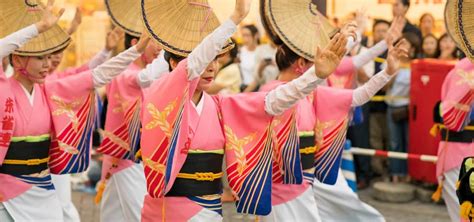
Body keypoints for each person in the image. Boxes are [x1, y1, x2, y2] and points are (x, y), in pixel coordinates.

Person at [138, 0, 358, 220]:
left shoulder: (219, 105)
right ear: (175, 64)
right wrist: (234, 19)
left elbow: (273, 102)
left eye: (216, 60)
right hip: (170, 211)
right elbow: (192, 65)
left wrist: (315, 76)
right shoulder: (161, 94)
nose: (212, 66)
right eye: (207, 59)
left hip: (210, 208)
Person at [0, 0, 151, 221]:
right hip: (7, 191)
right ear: (17, 57)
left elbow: (97, 74)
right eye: (40, 57)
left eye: (49, 57)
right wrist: (38, 28)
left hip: (43, 188)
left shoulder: (50, 88)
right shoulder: (3, 88)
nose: (47, 64)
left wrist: (133, 52)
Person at [259, 1, 407, 221]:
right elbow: (294, 91)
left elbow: (357, 96)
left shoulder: (313, 94)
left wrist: (387, 72)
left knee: (346, 207)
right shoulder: (272, 95)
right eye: (314, 62)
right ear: (301, 64)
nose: (325, 67)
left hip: (308, 180)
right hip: (280, 191)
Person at [96, 1, 166, 221]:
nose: (160, 49)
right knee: (140, 215)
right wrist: (174, 49)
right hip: (127, 158)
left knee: (114, 214)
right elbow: (145, 79)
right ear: (137, 43)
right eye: (157, 42)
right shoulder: (125, 73)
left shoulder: (139, 72)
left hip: (131, 158)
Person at [432, 2, 474, 221]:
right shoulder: (465, 68)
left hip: (462, 154)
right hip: (462, 151)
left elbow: (449, 117)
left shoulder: (463, 68)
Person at [385, 32, 419, 183]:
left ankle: (409, 174)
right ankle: (395, 174)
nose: (404, 48)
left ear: (413, 49)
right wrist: (393, 70)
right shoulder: (390, 62)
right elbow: (384, 88)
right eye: (402, 44)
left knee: (409, 141)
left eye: (407, 45)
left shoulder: (417, 65)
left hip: (410, 109)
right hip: (392, 107)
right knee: (394, 142)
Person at [366, 19, 391, 185]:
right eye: (378, 30)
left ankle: (390, 170)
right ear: (373, 33)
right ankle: (378, 172)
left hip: (390, 107)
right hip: (372, 106)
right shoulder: (368, 54)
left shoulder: (393, 54)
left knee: (390, 141)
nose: (381, 33)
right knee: (374, 139)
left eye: (385, 30)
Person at [239, 24, 260, 90]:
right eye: (243, 35)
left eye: (247, 35)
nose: (245, 39)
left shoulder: (261, 52)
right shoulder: (240, 51)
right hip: (242, 87)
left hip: (257, 89)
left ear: (256, 35)